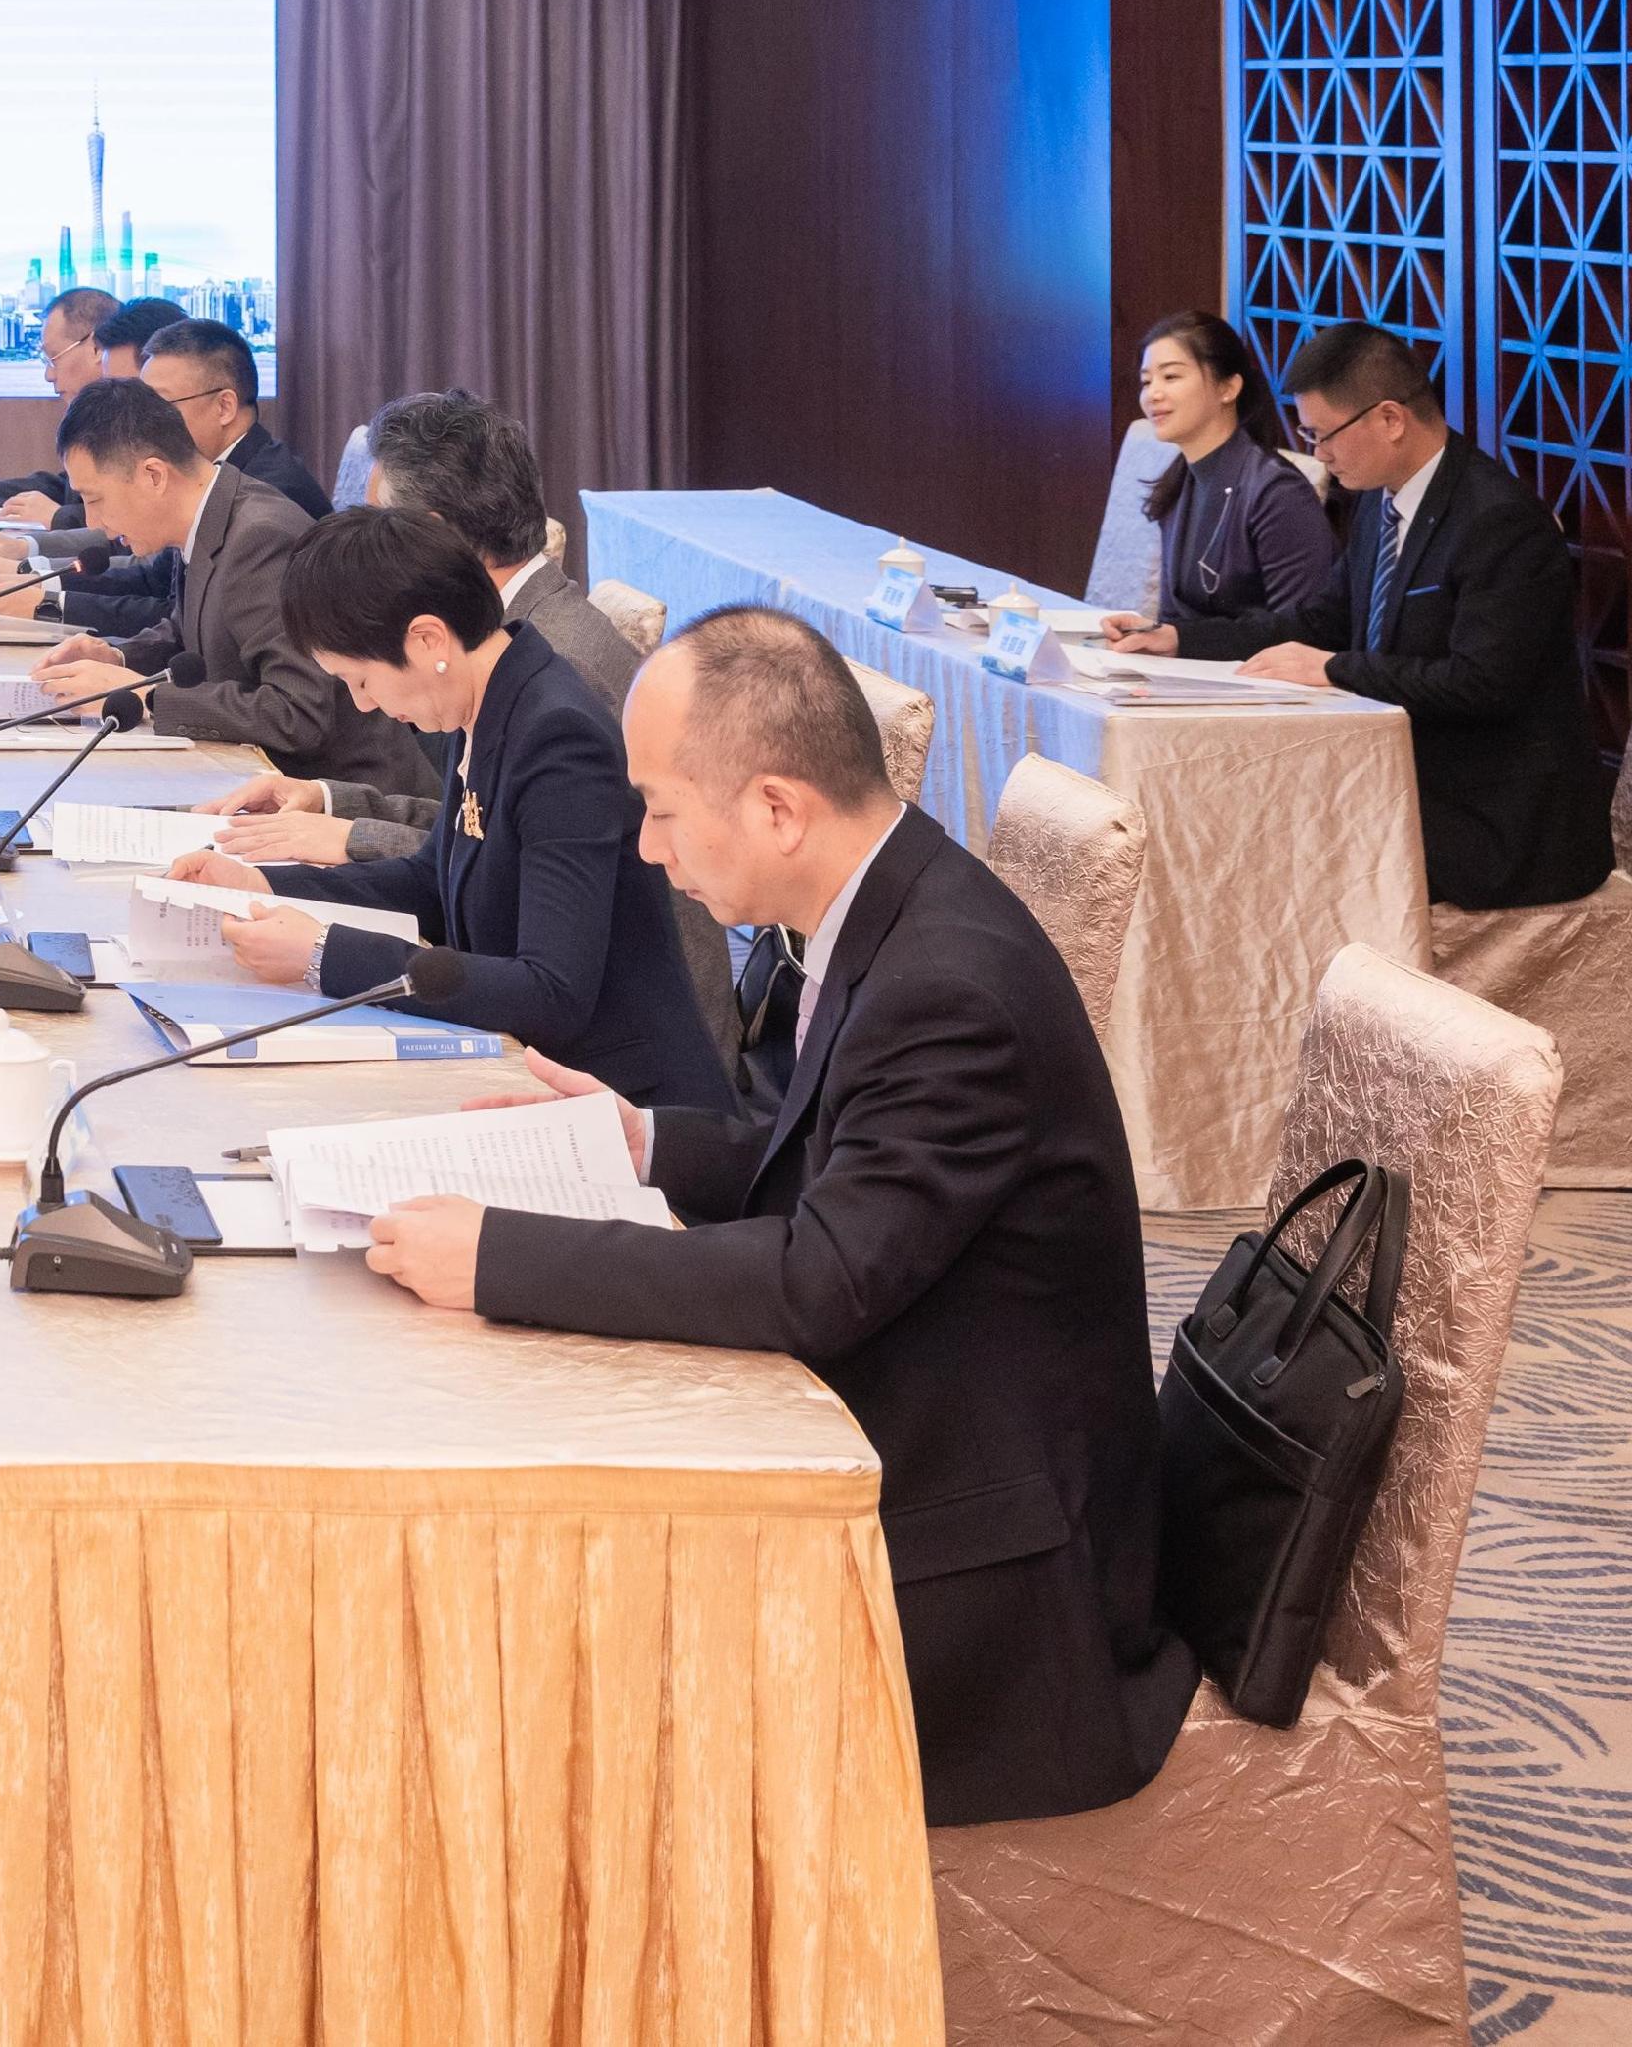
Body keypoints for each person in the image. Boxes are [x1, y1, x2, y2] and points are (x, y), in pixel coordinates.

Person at [361, 605, 1196, 1828]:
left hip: (986, 1574)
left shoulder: (945, 985)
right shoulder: (887, 907)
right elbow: (835, 1165)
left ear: (774, 809)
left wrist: (496, 1255)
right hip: (928, 1423)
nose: (644, 850)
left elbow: (819, 1277)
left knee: (564, 1634)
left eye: (658, 809)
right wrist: (640, 1137)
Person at [162, 506, 733, 1111]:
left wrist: (326, 955)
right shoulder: (485, 697)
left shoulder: (558, 736)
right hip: (528, 1070)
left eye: (361, 679)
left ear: (428, 639)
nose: (362, 705)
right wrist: (263, 884)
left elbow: (552, 992)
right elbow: (430, 879)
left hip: (628, 1108)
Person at [1106, 320, 1613, 909]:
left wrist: (1333, 670)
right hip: (1401, 776)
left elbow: (1483, 684)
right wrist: (1178, 639)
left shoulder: (1497, 520)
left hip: (1497, 820)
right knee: (1223, 813)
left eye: (1323, 435)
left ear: (1390, 419)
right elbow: (1318, 621)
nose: (1316, 454)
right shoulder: (1381, 499)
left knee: (1273, 849)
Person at [204, 390, 636, 868]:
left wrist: (351, 839)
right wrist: (328, 801)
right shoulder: (489, 629)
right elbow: (468, 819)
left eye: (379, 526)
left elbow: (510, 864)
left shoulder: (556, 662)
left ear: (431, 535)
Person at [20, 380, 430, 790]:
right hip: (254, 779)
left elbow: (298, 714)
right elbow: (191, 635)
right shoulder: (210, 518)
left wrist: (145, 697)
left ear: (153, 475)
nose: (92, 522)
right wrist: (117, 659)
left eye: (95, 499)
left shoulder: (261, 537)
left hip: (349, 798)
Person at [0, 319, 325, 635]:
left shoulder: (271, 500)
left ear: (224, 405)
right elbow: (158, 589)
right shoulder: (212, 483)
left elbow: (291, 703)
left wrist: (45, 600)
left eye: (159, 403)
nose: (146, 419)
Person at [1114, 309, 1334, 624]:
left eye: (1171, 376)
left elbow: (1298, 630)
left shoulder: (1278, 492)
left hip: (1257, 671)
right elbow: (1173, 616)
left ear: (1227, 388)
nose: (1153, 394)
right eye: (1146, 381)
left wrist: (1178, 641)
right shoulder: (1179, 479)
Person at [0, 285, 117, 522]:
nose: (48, 375)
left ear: (96, 349)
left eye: (53, 358)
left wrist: (59, 518)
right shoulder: (97, 414)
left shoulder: (137, 416)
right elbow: (69, 490)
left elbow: (132, 516)